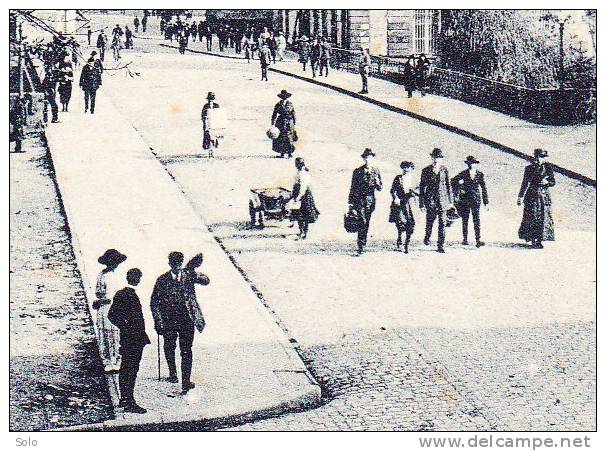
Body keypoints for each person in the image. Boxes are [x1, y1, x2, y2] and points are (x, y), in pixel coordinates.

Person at [151, 252, 210, 394]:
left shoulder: (189, 275)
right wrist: (158, 320)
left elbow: (206, 280)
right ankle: (172, 373)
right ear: (170, 264)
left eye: (179, 263)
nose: (177, 266)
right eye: (174, 264)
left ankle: (185, 382)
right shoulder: (162, 280)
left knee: (186, 350)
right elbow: (154, 302)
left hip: (187, 319)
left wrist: (194, 272)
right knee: (169, 346)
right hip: (169, 319)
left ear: (182, 263)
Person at [108, 268, 149, 414]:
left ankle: (126, 399)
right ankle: (128, 401)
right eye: (137, 277)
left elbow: (113, 315)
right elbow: (112, 315)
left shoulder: (124, 294)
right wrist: (127, 326)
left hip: (133, 339)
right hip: (131, 339)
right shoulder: (126, 295)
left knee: (129, 369)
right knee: (129, 370)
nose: (137, 279)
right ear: (136, 279)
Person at [94, 249, 127, 373]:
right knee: (103, 334)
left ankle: (116, 361)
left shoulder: (115, 276)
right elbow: (98, 292)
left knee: (114, 334)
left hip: (113, 306)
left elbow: (112, 296)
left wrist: (100, 301)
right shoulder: (101, 275)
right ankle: (107, 361)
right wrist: (99, 301)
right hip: (103, 309)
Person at [517, 148, 556, 249]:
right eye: (538, 156)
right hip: (532, 194)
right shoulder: (529, 168)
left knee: (543, 217)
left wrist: (547, 183)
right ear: (535, 156)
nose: (540, 159)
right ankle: (532, 238)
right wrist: (520, 196)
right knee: (532, 216)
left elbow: (553, 182)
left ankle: (539, 239)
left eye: (542, 157)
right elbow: (525, 183)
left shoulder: (548, 168)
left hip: (544, 195)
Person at [348, 148, 383, 255]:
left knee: (366, 222)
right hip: (359, 200)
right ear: (364, 159)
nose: (368, 160)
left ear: (373, 158)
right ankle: (361, 245)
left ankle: (363, 241)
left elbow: (380, 187)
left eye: (370, 158)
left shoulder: (376, 171)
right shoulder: (357, 171)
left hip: (370, 200)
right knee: (362, 221)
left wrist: (377, 183)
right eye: (366, 158)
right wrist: (350, 203)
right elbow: (352, 187)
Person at [419, 148, 453, 253]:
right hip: (431, 200)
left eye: (438, 158)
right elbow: (422, 187)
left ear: (441, 159)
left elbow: (448, 185)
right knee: (430, 221)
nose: (436, 160)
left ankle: (440, 245)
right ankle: (427, 237)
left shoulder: (444, 170)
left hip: (443, 201)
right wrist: (421, 203)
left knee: (442, 223)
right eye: (434, 157)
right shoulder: (425, 170)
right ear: (432, 158)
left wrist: (450, 202)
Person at [452, 155, 489, 248]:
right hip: (465, 200)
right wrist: (460, 186)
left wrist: (486, 202)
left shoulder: (480, 174)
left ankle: (478, 240)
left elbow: (484, 188)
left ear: (476, 164)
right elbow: (452, 181)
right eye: (470, 163)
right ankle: (465, 239)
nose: (471, 165)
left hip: (476, 200)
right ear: (467, 164)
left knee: (476, 220)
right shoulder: (463, 173)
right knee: (465, 220)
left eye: (473, 163)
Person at [389, 161, 418, 253]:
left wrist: (414, 193)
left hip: (411, 204)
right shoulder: (398, 178)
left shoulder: (415, 180)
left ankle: (407, 243)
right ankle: (400, 237)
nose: (406, 169)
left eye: (408, 167)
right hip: (400, 203)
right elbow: (393, 190)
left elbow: (419, 191)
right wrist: (395, 198)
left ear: (411, 169)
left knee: (411, 224)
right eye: (404, 167)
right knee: (400, 222)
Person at [290, 158, 320, 239]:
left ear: (300, 164)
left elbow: (303, 187)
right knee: (300, 215)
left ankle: (303, 232)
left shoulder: (303, 174)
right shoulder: (299, 172)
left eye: (297, 164)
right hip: (301, 195)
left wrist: (299, 197)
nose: (296, 165)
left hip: (303, 196)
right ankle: (302, 231)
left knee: (303, 215)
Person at [271, 90, 297, 158]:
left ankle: (289, 153)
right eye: (283, 97)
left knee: (289, 137)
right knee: (281, 137)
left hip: (289, 122)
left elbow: (293, 113)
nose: (284, 98)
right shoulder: (278, 104)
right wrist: (272, 123)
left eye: (285, 96)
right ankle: (281, 152)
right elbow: (274, 114)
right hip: (280, 122)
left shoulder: (290, 104)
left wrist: (294, 122)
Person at [201, 92, 221, 157]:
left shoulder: (216, 106)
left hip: (214, 125)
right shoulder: (205, 106)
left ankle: (213, 151)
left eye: (211, 99)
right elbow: (202, 115)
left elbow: (219, 115)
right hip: (207, 124)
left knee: (214, 138)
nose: (210, 100)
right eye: (209, 99)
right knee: (208, 138)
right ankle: (210, 151)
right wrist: (205, 121)